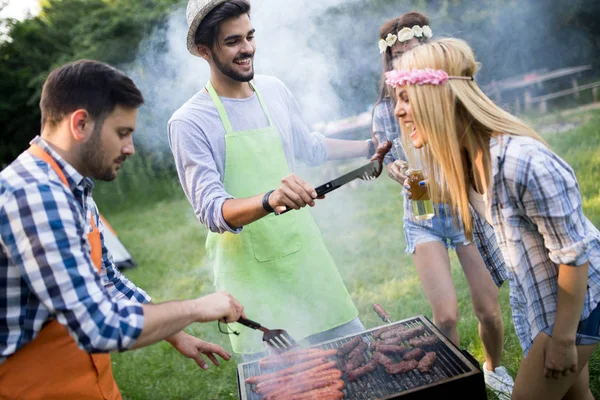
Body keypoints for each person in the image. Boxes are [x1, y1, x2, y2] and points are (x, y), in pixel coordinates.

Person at [0, 60, 245, 400]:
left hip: (93, 386)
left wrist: (173, 333)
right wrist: (198, 307)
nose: (129, 148)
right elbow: (98, 327)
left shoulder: (72, 189)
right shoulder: (34, 194)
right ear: (81, 123)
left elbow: (107, 282)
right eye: (122, 133)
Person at [169, 0, 390, 358]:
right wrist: (270, 199)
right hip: (252, 283)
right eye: (232, 41)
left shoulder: (273, 90)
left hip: (307, 260)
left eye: (250, 36)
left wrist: (368, 148)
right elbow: (211, 210)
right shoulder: (190, 121)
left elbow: (310, 146)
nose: (247, 49)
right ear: (203, 51)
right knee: (283, 388)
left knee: (358, 358)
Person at [388, 37, 600, 400]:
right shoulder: (470, 161)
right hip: (547, 304)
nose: (398, 111)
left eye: (406, 98)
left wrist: (563, 340)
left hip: (577, 309)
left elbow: (574, 255)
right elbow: (460, 205)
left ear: (438, 99)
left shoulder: (523, 162)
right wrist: (416, 183)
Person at [372, 13, 513, 398]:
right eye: (396, 56)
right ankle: (455, 382)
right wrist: (395, 168)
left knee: (489, 311)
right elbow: (385, 158)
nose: (404, 61)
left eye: (411, 52)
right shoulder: (387, 106)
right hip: (421, 204)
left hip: (462, 205)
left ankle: (492, 368)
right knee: (446, 315)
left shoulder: (449, 91)